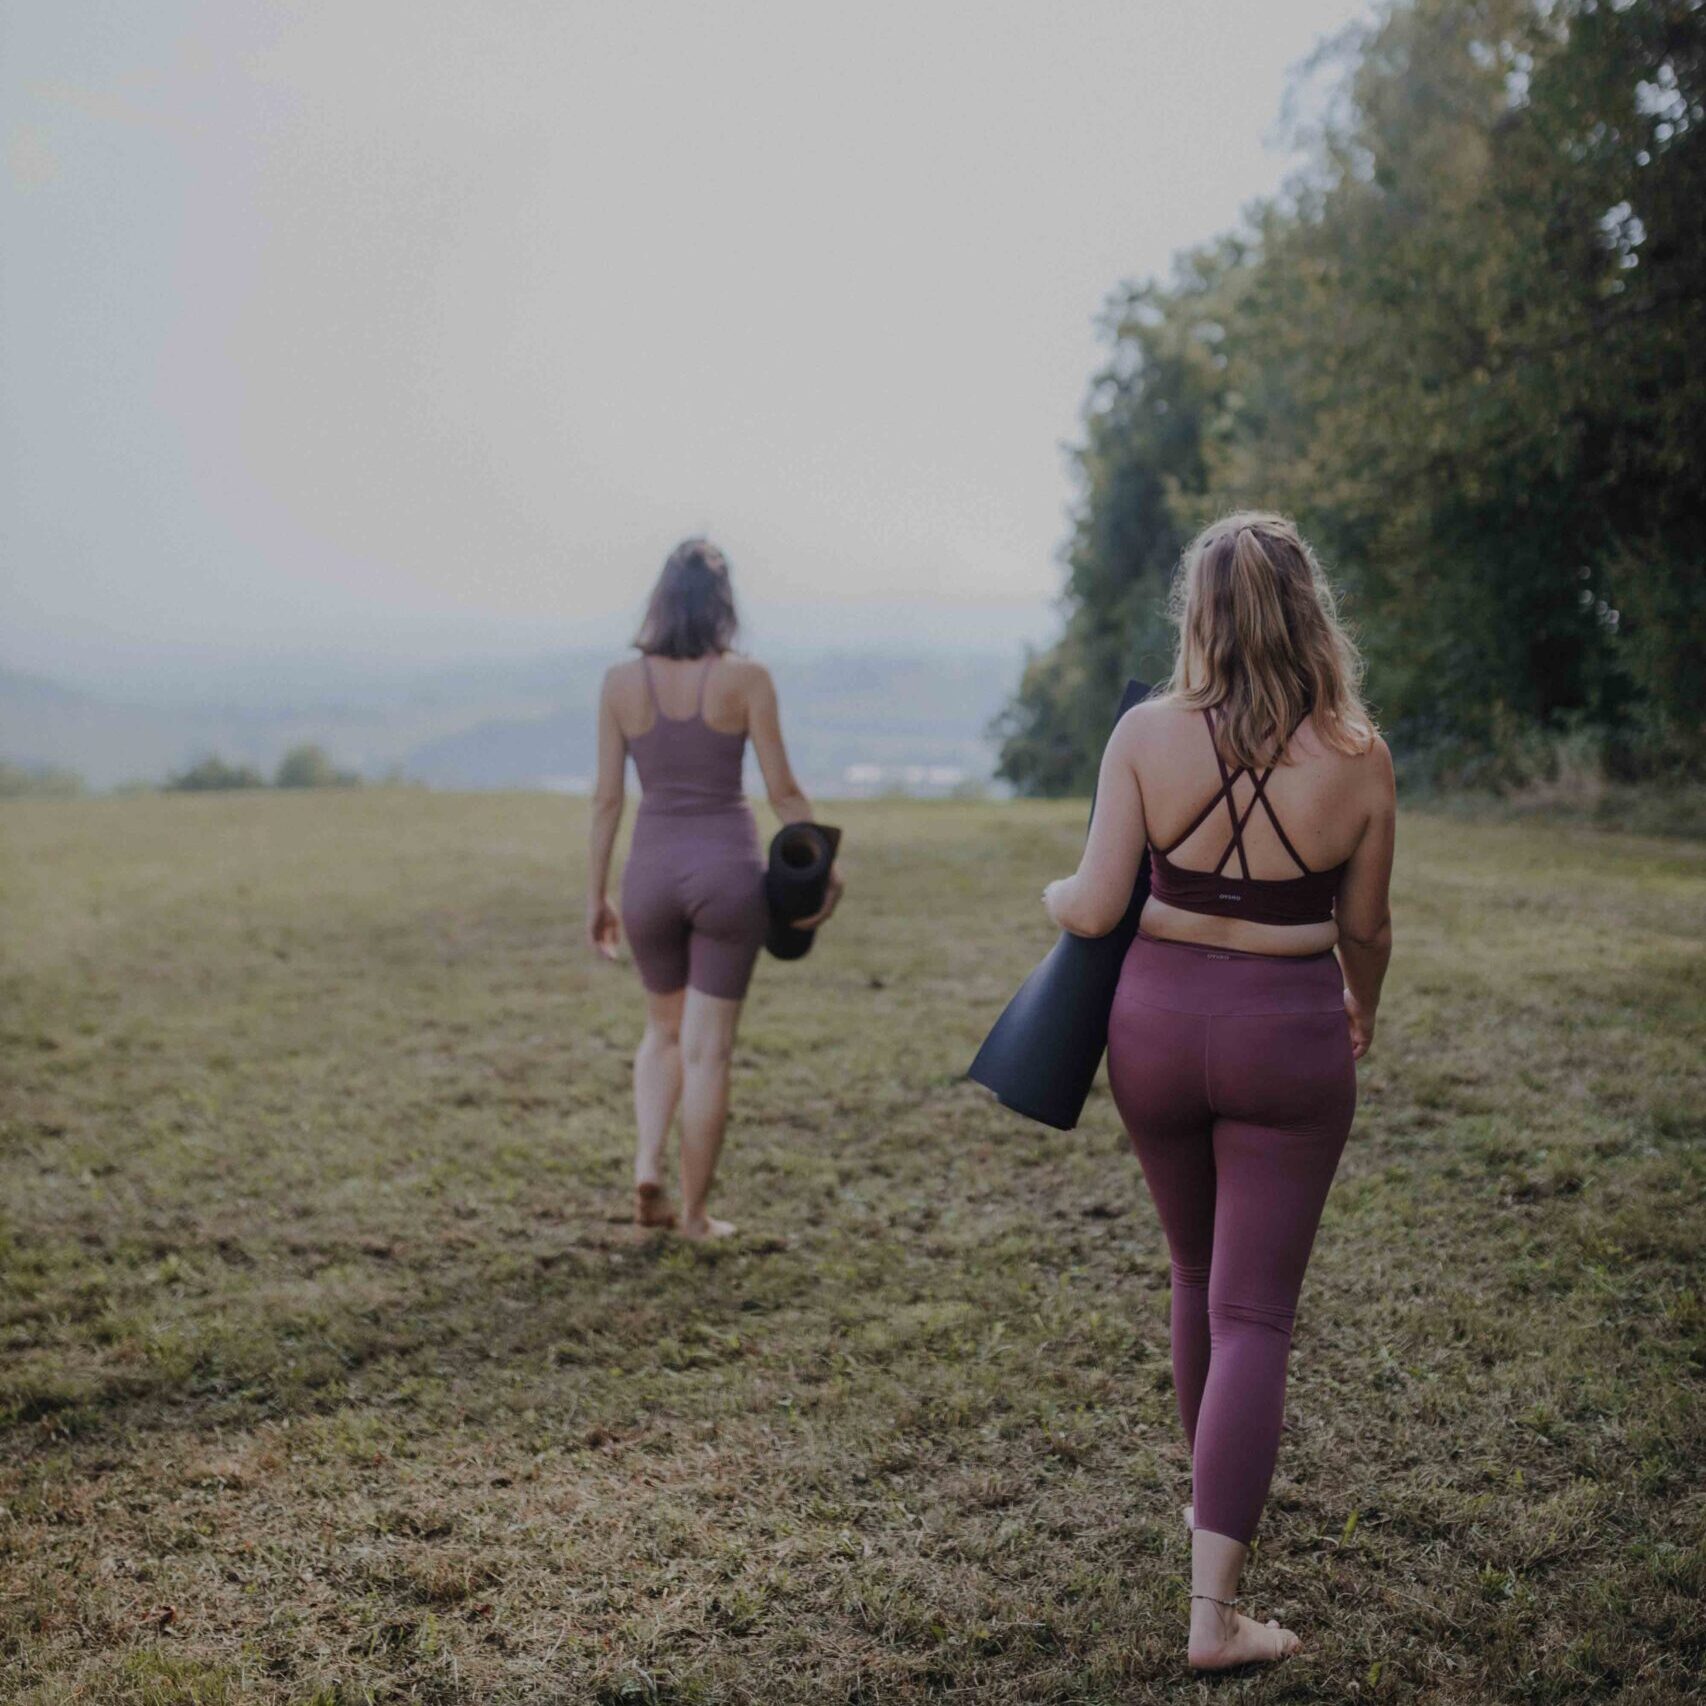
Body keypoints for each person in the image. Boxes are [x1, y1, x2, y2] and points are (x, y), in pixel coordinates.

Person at [1041, 512, 1395, 1671]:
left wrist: (1055, 890)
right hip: (1286, 1031)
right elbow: (1366, 927)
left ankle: (1211, 1526)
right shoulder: (1357, 755)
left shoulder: (1143, 734)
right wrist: (1362, 1005)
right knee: (1254, 1312)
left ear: (1197, 613)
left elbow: (1091, 906)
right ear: (1307, 610)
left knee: (1195, 1277)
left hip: (1154, 1029)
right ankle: (1213, 1609)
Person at [586, 538, 844, 1240]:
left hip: (647, 877)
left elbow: (607, 801)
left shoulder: (618, 683)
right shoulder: (747, 680)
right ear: (724, 604)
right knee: (708, 1052)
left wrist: (596, 895)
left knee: (660, 1031)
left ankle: (647, 1168)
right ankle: (694, 1215)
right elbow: (783, 791)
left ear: (659, 599)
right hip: (728, 879)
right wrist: (822, 861)